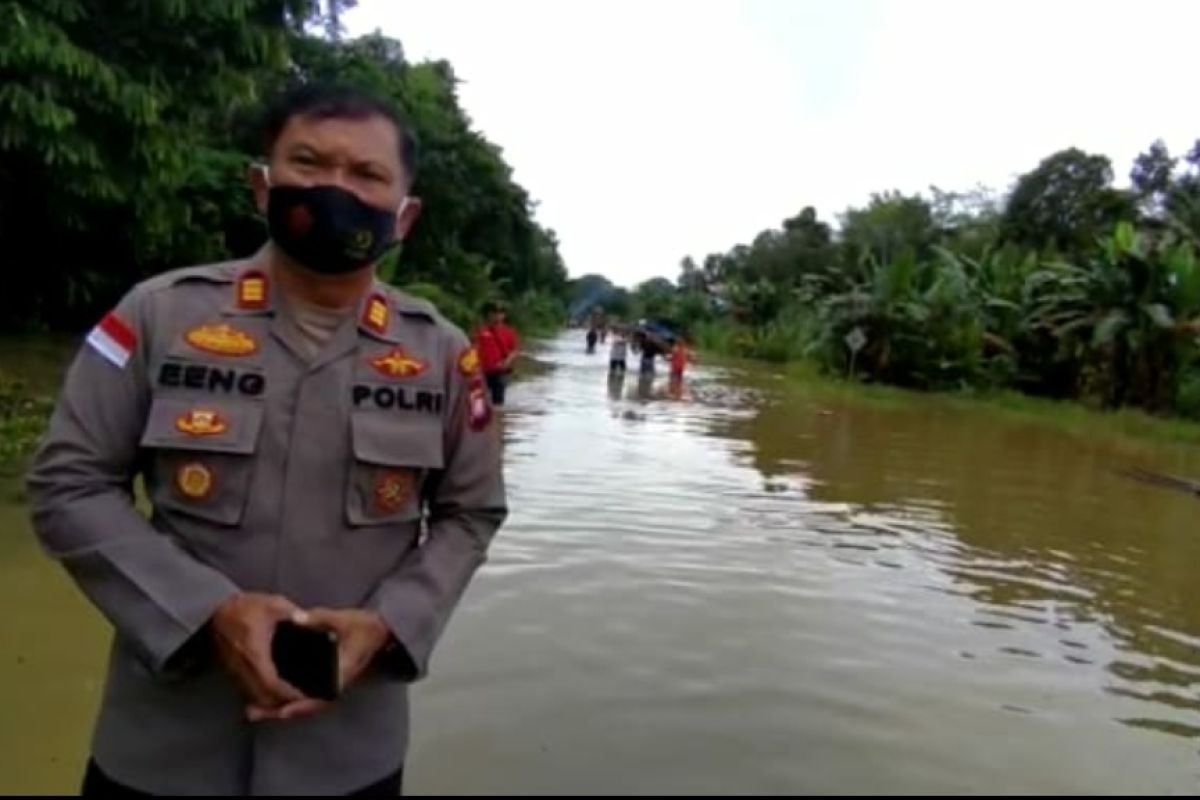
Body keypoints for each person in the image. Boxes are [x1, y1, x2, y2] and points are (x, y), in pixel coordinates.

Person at [25, 81, 507, 796]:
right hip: (159, 748)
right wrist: (204, 612)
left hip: (349, 753)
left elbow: (471, 513)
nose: (335, 188)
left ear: (405, 217)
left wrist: (388, 624)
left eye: (367, 174)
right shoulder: (157, 315)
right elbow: (67, 484)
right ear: (262, 185)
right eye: (309, 162)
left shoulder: (441, 353)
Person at [474, 301, 519, 406]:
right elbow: (473, 348)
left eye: (500, 313)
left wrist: (507, 362)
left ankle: (498, 419)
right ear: (489, 314)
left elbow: (514, 350)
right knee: (478, 402)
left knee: (498, 403)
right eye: (494, 313)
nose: (497, 316)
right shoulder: (480, 330)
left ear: (504, 315)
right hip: (482, 371)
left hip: (499, 372)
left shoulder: (509, 332)